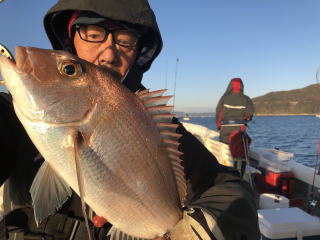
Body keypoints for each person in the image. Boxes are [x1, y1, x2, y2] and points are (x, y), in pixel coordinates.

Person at [0, 1, 260, 239]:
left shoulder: (153, 125)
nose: (109, 54)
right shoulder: (11, 111)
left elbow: (230, 189)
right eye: (93, 34)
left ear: (138, 53)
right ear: (70, 40)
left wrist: (188, 230)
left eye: (125, 41)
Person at [215, 78, 255, 175]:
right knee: (239, 150)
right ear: (242, 86)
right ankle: (239, 173)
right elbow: (249, 114)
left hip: (225, 128)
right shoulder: (246, 99)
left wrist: (219, 125)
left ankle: (225, 173)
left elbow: (218, 112)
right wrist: (246, 119)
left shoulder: (224, 98)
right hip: (239, 128)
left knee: (225, 150)